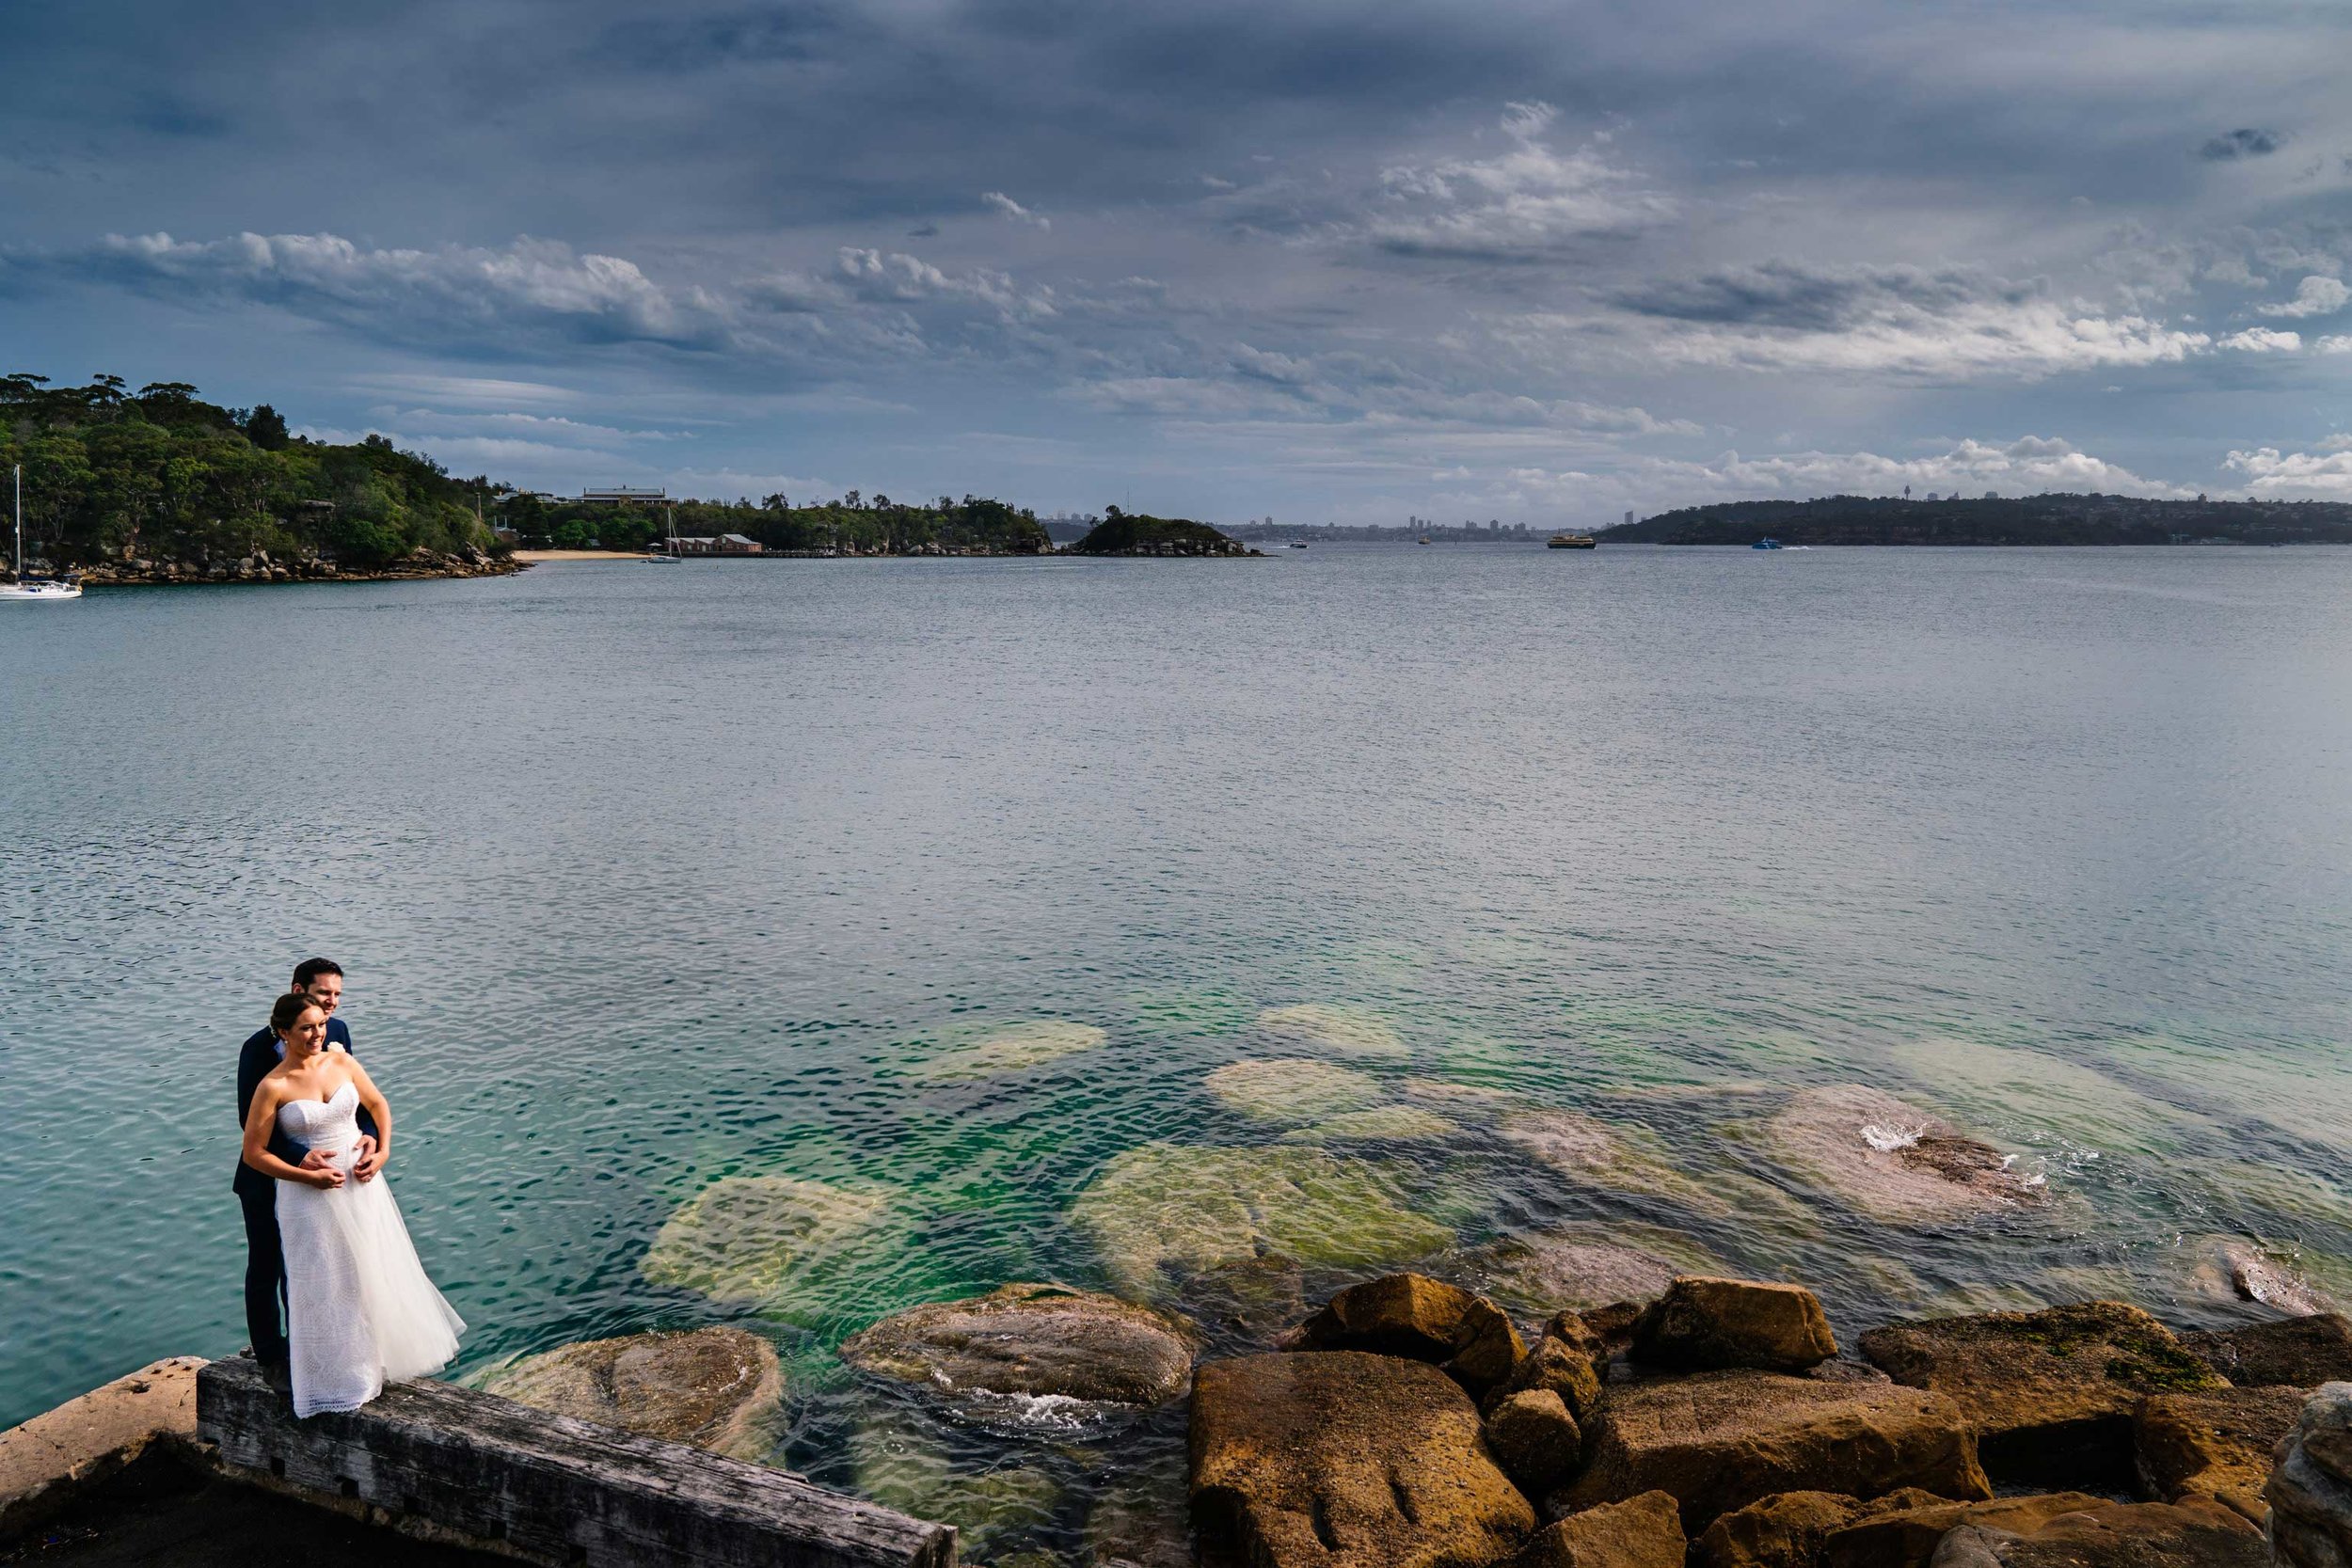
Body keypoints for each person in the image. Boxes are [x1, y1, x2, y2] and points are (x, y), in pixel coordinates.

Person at [241, 991, 463, 1417]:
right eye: (306, 1028)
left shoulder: (342, 1062)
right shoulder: (273, 1085)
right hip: (307, 1196)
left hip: (360, 1186)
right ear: (283, 1033)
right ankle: (329, 1379)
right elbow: (255, 1153)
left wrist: (381, 1151)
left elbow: (377, 1105)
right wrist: (308, 1175)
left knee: (367, 1272)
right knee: (322, 1282)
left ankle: (370, 1367)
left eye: (320, 1025)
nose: (317, 1034)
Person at [234, 959, 377, 1378]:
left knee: (327, 1263)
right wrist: (298, 1157)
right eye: (323, 995)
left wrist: (368, 1133)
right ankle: (272, 1357)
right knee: (269, 1264)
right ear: (298, 991)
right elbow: (250, 1122)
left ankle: (323, 1352)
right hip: (267, 1177)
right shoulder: (257, 1050)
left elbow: (355, 1096)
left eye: (337, 995)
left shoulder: (338, 1033)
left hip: (330, 1177)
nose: (331, 1005)